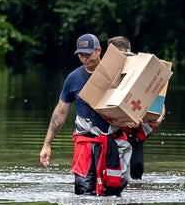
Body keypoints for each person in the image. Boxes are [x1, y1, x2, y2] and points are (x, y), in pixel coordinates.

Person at [39, 32, 137, 196]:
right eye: (81, 55)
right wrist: (47, 144)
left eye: (88, 53)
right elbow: (61, 112)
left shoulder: (117, 75)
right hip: (85, 143)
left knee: (114, 192)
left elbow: (136, 99)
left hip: (112, 141)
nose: (85, 58)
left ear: (99, 50)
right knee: (83, 195)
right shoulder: (73, 78)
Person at [105, 35, 164, 180]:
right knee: (112, 176)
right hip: (116, 132)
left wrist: (159, 117)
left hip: (136, 133)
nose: (108, 57)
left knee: (135, 175)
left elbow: (159, 99)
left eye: (111, 52)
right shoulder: (108, 73)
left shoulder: (141, 71)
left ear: (124, 51)